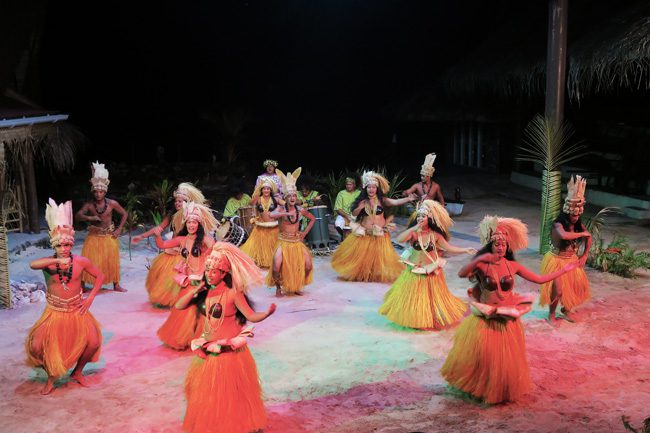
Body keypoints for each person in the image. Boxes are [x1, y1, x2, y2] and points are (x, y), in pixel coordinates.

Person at [440, 215, 579, 404]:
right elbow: (462, 273)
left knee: (502, 361)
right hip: (486, 317)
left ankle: (500, 389)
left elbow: (538, 279)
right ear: (491, 245)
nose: (500, 247)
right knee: (485, 359)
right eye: (497, 244)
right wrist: (480, 259)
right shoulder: (482, 264)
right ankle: (481, 388)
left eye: (504, 244)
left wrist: (564, 270)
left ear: (508, 247)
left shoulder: (512, 266)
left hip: (506, 318)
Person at [178, 242, 275, 433]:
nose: (209, 274)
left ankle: (235, 425)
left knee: (231, 395)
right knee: (204, 393)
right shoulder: (205, 292)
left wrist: (266, 314)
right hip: (208, 350)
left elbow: (250, 316)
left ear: (224, 273)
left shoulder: (233, 293)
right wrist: (195, 290)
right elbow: (180, 306)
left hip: (229, 354)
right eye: (207, 270)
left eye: (214, 271)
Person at [26, 199, 104, 395]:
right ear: (54, 245)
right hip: (55, 311)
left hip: (77, 309)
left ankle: (77, 372)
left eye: (67, 245)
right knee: (36, 347)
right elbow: (32, 264)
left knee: (93, 343)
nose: (64, 249)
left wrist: (91, 298)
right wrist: (56, 260)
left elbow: (100, 276)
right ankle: (52, 374)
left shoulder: (81, 261)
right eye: (60, 245)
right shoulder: (48, 263)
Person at [379, 200, 476, 329]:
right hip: (414, 269)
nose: (420, 218)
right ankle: (414, 318)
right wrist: (414, 228)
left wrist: (464, 250)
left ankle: (426, 318)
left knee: (429, 299)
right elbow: (399, 239)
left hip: (430, 270)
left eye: (423, 216)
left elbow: (448, 247)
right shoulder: (414, 233)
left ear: (429, 218)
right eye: (418, 216)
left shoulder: (435, 235)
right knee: (413, 297)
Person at [331, 170, 417, 282]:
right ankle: (364, 274)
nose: (371, 189)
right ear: (365, 189)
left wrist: (408, 199)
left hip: (379, 234)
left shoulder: (382, 200)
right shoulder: (362, 201)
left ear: (377, 189)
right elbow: (354, 214)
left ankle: (372, 273)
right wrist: (360, 207)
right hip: (365, 234)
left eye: (373, 187)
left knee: (380, 258)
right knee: (363, 259)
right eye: (369, 187)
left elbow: (395, 202)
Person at [154, 202, 218, 350]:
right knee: (185, 312)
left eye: (194, 222)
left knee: (202, 312)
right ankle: (186, 338)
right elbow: (162, 245)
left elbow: (215, 247)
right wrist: (157, 235)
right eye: (189, 222)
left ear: (198, 224)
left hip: (202, 281)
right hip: (188, 281)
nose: (191, 225)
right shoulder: (181, 240)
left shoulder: (203, 240)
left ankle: (203, 337)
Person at [132, 183, 207, 307]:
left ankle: (180, 301)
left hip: (183, 251)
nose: (177, 204)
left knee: (177, 278)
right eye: (176, 201)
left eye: (181, 201)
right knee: (163, 277)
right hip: (171, 249)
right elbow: (159, 228)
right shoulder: (171, 215)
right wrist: (142, 236)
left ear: (187, 203)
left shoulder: (190, 218)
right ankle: (169, 300)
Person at [539, 175, 592, 323]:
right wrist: (582, 233)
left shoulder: (577, 224)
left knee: (575, 287)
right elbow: (564, 235)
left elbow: (589, 237)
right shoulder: (558, 224)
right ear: (567, 211)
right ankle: (551, 314)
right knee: (558, 290)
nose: (576, 217)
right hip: (556, 260)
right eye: (573, 214)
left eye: (578, 214)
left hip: (572, 260)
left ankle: (566, 310)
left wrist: (585, 255)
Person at [76, 161, 128, 292]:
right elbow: (78, 215)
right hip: (94, 236)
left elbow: (124, 214)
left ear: (105, 192)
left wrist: (119, 229)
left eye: (101, 192)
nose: (98, 194)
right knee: (88, 261)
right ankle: (82, 285)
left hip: (109, 236)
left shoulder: (112, 204)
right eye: (96, 192)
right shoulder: (89, 205)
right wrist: (90, 217)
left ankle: (115, 285)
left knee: (111, 260)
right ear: (93, 192)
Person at [265, 167, 315, 296]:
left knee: (308, 266)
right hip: (283, 242)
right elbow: (271, 215)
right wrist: (286, 213)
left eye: (294, 195)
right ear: (285, 198)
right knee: (276, 267)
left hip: (296, 241)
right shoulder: (281, 209)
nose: (292, 198)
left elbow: (312, 219)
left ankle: (297, 284)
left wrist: (304, 233)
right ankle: (278, 287)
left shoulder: (300, 210)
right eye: (289, 196)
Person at [240, 178, 282, 268]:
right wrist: (256, 193)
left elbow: (286, 204)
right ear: (261, 190)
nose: (266, 190)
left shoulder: (276, 199)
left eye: (268, 188)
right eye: (264, 188)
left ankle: (275, 261)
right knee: (260, 246)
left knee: (273, 246)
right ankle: (262, 261)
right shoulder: (258, 199)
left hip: (273, 226)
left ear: (271, 190)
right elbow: (251, 203)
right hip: (261, 225)